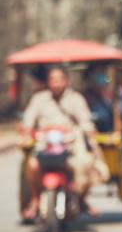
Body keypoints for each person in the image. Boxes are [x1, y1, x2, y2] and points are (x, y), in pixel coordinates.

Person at [21, 67, 109, 220]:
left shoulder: (76, 99)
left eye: (59, 80)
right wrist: (26, 130)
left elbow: (85, 121)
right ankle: (35, 200)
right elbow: (29, 120)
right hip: (46, 144)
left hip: (71, 145)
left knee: (86, 164)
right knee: (32, 165)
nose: (56, 84)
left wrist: (89, 131)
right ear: (48, 82)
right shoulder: (39, 99)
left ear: (66, 81)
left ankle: (80, 199)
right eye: (52, 80)